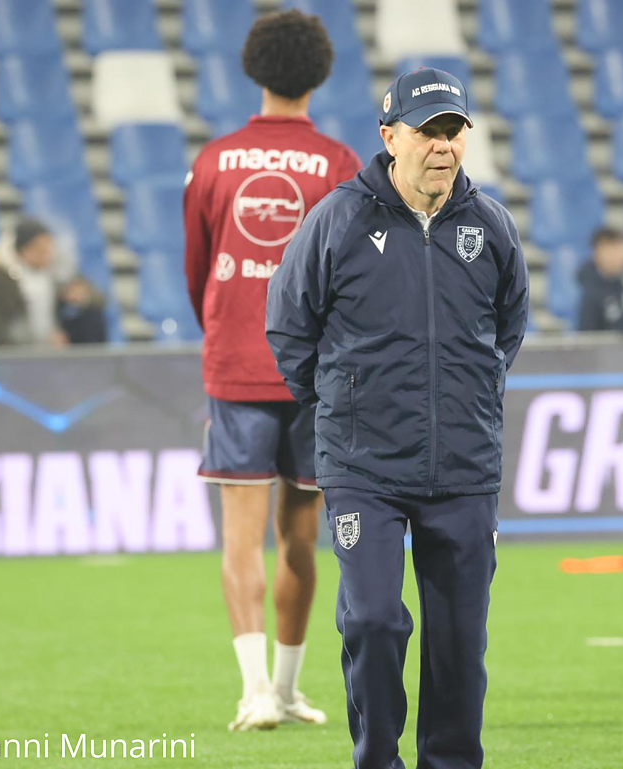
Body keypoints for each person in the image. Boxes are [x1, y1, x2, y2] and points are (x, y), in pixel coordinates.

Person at [266, 67, 529, 769]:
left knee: (459, 644)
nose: (443, 146)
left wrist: (469, 398)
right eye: (427, 131)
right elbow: (289, 326)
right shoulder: (339, 219)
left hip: (464, 466)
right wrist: (341, 408)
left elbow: (508, 329)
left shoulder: (491, 225)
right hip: (365, 469)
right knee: (375, 621)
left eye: (454, 131)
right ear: (390, 137)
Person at [182, 9, 362, 732]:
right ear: (319, 73)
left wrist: (227, 330)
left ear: (253, 68)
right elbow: (352, 276)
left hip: (235, 365)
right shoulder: (339, 164)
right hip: (315, 374)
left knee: (240, 535)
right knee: (300, 535)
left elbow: (197, 270)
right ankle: (286, 689)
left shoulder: (213, 161)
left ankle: (255, 691)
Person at [0, 217, 70, 347]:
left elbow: (92, 295)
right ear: (24, 249)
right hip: (17, 352)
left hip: (52, 349)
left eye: (48, 247)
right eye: (39, 249)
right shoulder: (0, 277)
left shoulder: (56, 271)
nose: (46, 254)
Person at [577, 226, 623, 332]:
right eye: (616, 250)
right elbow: (586, 335)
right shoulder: (587, 291)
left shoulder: (618, 284)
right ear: (598, 252)